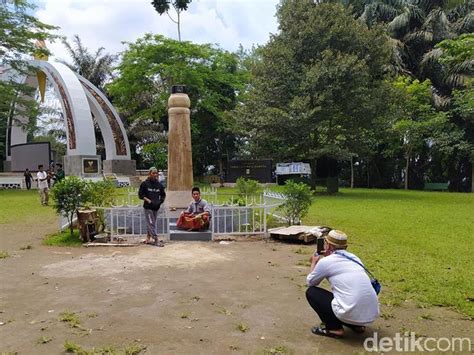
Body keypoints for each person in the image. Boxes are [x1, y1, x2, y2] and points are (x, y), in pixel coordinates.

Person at [305, 230, 379, 338]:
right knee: (347, 294)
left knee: (312, 292)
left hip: (350, 310)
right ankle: (357, 326)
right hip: (370, 315)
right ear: (345, 246)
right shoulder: (354, 258)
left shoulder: (326, 262)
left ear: (328, 245)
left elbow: (311, 282)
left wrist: (314, 262)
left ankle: (334, 329)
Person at [138, 167, 166, 246]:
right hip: (148, 207)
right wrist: (148, 200)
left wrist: (160, 202)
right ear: (149, 174)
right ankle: (156, 239)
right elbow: (140, 195)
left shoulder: (159, 185)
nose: (155, 175)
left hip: (156, 207)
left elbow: (163, 195)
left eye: (156, 173)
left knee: (151, 223)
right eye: (153, 173)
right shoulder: (145, 184)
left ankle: (148, 238)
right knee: (151, 223)